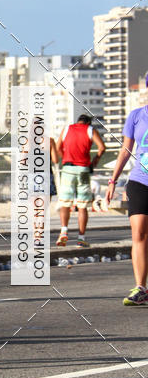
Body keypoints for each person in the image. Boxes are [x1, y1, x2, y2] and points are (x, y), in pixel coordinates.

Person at [106, 87, 148, 305]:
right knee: (139, 233)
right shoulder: (136, 115)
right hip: (140, 180)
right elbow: (125, 150)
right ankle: (141, 287)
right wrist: (113, 181)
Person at [55, 114, 105, 248]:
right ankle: (81, 238)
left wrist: (65, 158)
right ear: (88, 123)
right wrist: (95, 160)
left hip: (68, 169)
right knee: (82, 206)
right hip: (83, 169)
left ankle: (63, 232)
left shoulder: (66, 129)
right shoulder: (90, 130)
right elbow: (102, 147)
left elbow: (58, 147)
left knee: (65, 202)